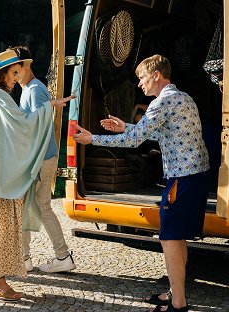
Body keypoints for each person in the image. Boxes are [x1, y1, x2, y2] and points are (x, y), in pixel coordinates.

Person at [73, 54, 209, 312]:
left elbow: (136, 140)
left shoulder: (162, 101)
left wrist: (94, 140)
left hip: (182, 177)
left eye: (142, 77)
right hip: (195, 175)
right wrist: (126, 126)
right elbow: (161, 132)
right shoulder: (182, 97)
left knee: (170, 239)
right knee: (177, 238)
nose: (139, 84)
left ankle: (178, 304)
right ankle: (174, 293)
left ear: (156, 75)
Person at [0, 49, 72, 301]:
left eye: (18, 72)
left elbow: (16, 125)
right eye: (13, 73)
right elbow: (22, 125)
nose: (17, 78)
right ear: (2, 73)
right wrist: (50, 107)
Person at [9, 46, 76, 273]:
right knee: (41, 207)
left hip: (39, 159)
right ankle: (62, 256)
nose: (12, 74)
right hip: (44, 157)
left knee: (26, 207)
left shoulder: (35, 90)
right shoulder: (30, 89)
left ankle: (25, 259)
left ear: (26, 65)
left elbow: (39, 126)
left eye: (15, 69)